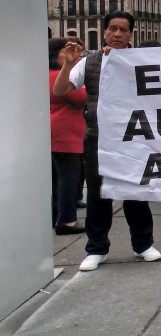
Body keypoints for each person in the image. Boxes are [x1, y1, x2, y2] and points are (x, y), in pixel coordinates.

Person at [53, 11, 161, 271]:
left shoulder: (142, 61)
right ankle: (96, 247)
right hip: (99, 137)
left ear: (131, 34)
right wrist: (67, 64)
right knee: (99, 193)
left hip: (133, 137)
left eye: (123, 30)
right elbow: (60, 91)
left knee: (135, 191)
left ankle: (143, 244)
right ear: (104, 32)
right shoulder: (90, 62)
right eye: (112, 28)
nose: (117, 34)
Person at [49, 37, 88, 235]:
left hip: (54, 131)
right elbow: (80, 97)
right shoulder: (58, 76)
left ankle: (55, 215)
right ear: (56, 55)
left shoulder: (45, 74)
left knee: (57, 178)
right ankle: (67, 221)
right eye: (65, 51)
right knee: (68, 178)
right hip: (66, 133)